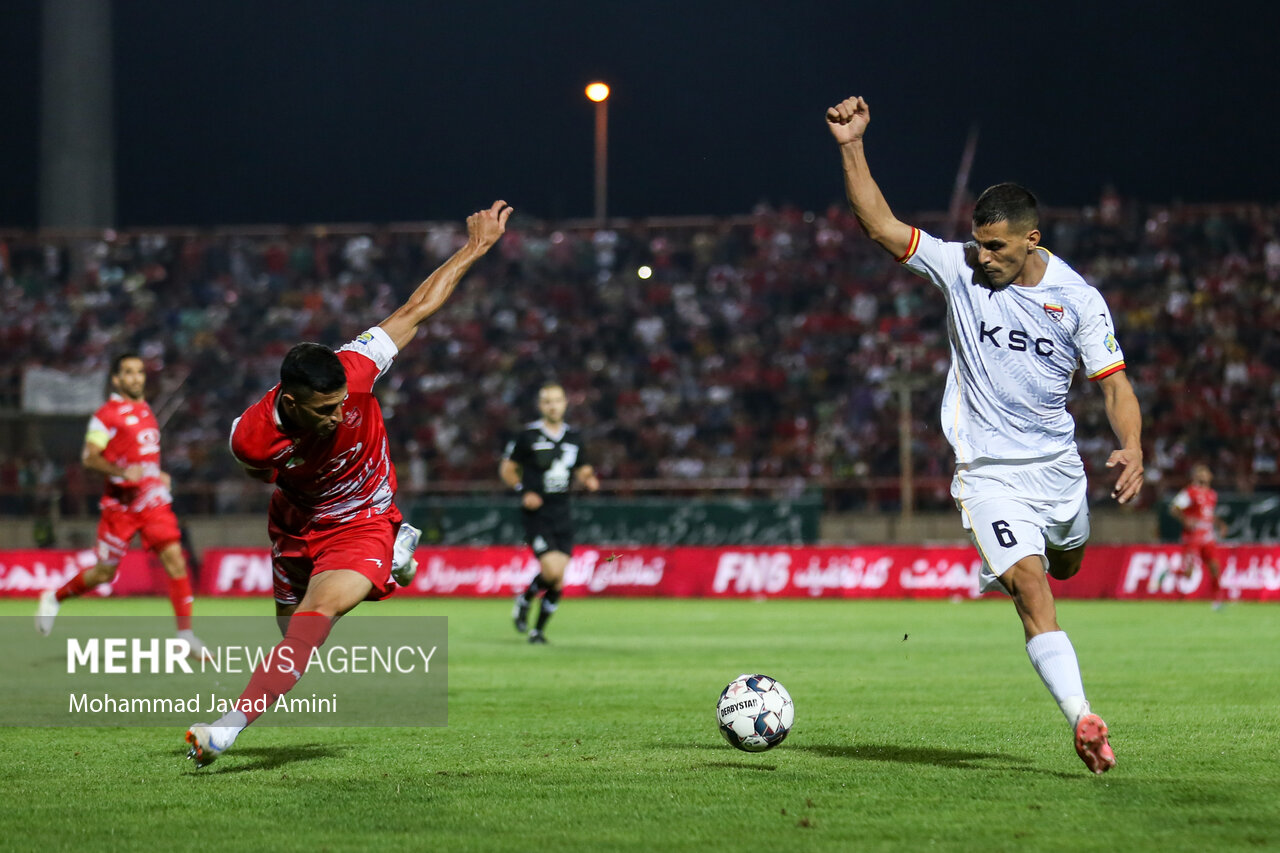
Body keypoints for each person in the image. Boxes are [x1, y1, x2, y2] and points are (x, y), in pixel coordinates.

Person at [826, 96, 1144, 775]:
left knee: (1065, 565)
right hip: (988, 473)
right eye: (977, 241)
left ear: (1033, 239)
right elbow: (880, 225)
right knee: (1034, 590)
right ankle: (1083, 717)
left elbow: (1114, 385)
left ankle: (1034, 555)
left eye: (996, 245)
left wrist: (1133, 445)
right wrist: (852, 144)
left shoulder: (1078, 300)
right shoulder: (959, 269)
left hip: (1057, 472)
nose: (982, 255)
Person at [184, 200, 511, 767]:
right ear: (290, 401)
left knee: (313, 621)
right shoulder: (250, 440)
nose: (339, 415)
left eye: (342, 404)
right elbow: (264, 471)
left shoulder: (355, 367)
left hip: (361, 520)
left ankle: (226, 729)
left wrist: (475, 248)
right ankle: (399, 559)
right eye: (324, 409)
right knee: (288, 629)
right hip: (295, 524)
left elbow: (416, 309)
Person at [35, 353, 208, 657]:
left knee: (174, 559)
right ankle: (55, 597)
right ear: (116, 379)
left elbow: (143, 458)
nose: (136, 377)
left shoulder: (146, 412)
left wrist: (159, 474)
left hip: (152, 502)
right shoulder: (105, 416)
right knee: (103, 573)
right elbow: (90, 457)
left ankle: (185, 635)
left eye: (139, 372)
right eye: (128, 372)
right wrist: (120, 472)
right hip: (120, 507)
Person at [500, 383, 599, 644]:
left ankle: (537, 630)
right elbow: (508, 469)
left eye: (557, 400)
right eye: (547, 401)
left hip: (563, 512)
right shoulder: (528, 436)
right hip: (538, 513)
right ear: (540, 406)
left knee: (557, 580)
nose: (552, 405)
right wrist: (523, 490)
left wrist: (589, 478)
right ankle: (525, 600)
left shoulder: (574, 437)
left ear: (565, 403)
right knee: (553, 571)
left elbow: (582, 467)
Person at [1169, 463, 1228, 607]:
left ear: (1210, 476)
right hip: (1192, 537)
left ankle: (1217, 601)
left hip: (1207, 537)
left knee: (1214, 567)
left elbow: (1209, 514)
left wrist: (1220, 524)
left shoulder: (1212, 494)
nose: (1203, 475)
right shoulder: (1190, 492)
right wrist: (1186, 519)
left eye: (1205, 472)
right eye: (1200, 473)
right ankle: (1169, 575)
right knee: (1189, 572)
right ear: (1195, 476)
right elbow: (1174, 508)